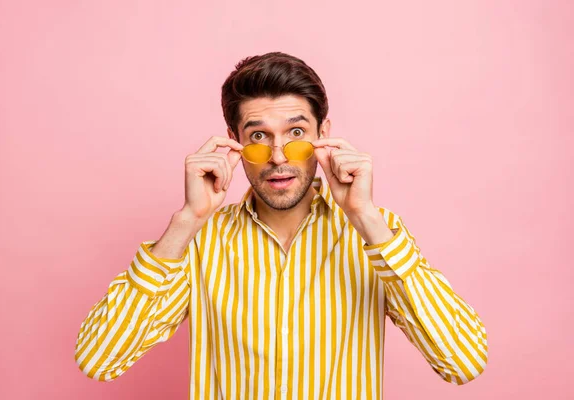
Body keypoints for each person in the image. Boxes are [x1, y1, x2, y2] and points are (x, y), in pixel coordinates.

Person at [75, 52, 487, 399]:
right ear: (233, 141)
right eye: (258, 135)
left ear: (324, 134)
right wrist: (186, 222)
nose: (277, 156)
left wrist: (365, 218)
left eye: (296, 132)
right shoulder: (200, 241)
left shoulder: (377, 234)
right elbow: (99, 359)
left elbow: (462, 360)